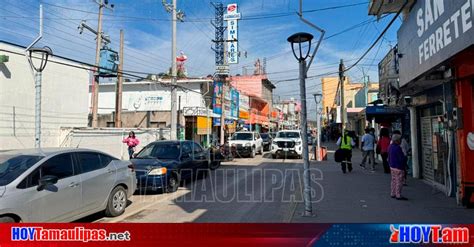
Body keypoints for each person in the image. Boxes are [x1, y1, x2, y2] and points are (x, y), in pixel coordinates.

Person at [389, 134, 408, 200]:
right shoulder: (398, 148)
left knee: (393, 180)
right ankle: (398, 194)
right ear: (396, 141)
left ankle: (393, 193)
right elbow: (401, 158)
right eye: (399, 140)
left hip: (392, 166)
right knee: (399, 181)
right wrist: (405, 158)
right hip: (398, 167)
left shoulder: (390, 146)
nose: (400, 141)